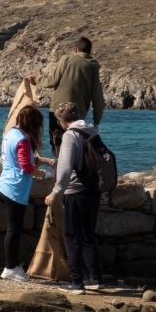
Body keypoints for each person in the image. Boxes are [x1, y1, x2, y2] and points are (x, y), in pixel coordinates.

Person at [48, 101, 102, 291]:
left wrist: (56, 191)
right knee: (88, 235)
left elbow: (65, 167)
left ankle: (76, 282)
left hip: (75, 191)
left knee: (72, 236)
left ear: (63, 120)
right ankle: (94, 278)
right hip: (94, 190)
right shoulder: (91, 131)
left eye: (58, 120)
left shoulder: (70, 135)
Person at [0, 104, 50, 283]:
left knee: (13, 228)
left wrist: (44, 161)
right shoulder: (24, 140)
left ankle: (14, 264)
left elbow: (21, 157)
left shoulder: (11, 134)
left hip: (5, 184)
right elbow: (26, 166)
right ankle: (10, 267)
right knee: (14, 230)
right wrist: (42, 174)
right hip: (15, 188)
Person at [41, 37, 106, 153]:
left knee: (57, 144)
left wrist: (37, 81)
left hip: (58, 111)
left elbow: (52, 81)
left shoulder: (66, 59)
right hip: (78, 114)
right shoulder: (93, 66)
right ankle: (73, 170)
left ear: (75, 49)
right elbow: (98, 97)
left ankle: (61, 169)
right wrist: (97, 121)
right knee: (74, 146)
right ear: (89, 51)